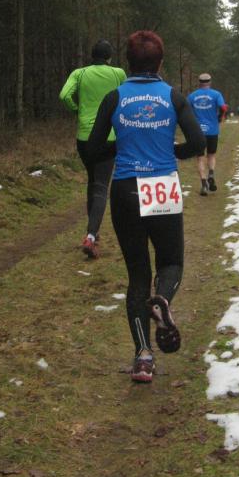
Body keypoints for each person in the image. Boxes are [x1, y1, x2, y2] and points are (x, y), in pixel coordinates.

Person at [86, 31, 205, 383]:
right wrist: (172, 152)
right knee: (171, 262)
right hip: (162, 186)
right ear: (160, 62)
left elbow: (93, 149)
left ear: (127, 62)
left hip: (125, 189)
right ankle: (162, 299)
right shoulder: (173, 96)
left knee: (138, 275)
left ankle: (143, 357)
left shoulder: (114, 98)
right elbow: (198, 142)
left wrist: (121, 148)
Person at [59, 39, 126, 259]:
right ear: (109, 58)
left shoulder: (79, 73)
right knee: (101, 186)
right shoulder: (118, 73)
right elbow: (127, 96)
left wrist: (77, 110)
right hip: (109, 136)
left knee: (92, 181)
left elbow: (64, 95)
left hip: (84, 137)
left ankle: (93, 233)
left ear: (92, 55)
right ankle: (90, 236)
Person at [187, 72, 227, 196]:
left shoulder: (192, 96)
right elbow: (223, 107)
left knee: (200, 158)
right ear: (210, 82)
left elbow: (186, 111)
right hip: (212, 131)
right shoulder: (216, 94)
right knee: (211, 155)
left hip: (198, 131)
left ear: (199, 83)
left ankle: (204, 184)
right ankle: (211, 174)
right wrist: (220, 117)